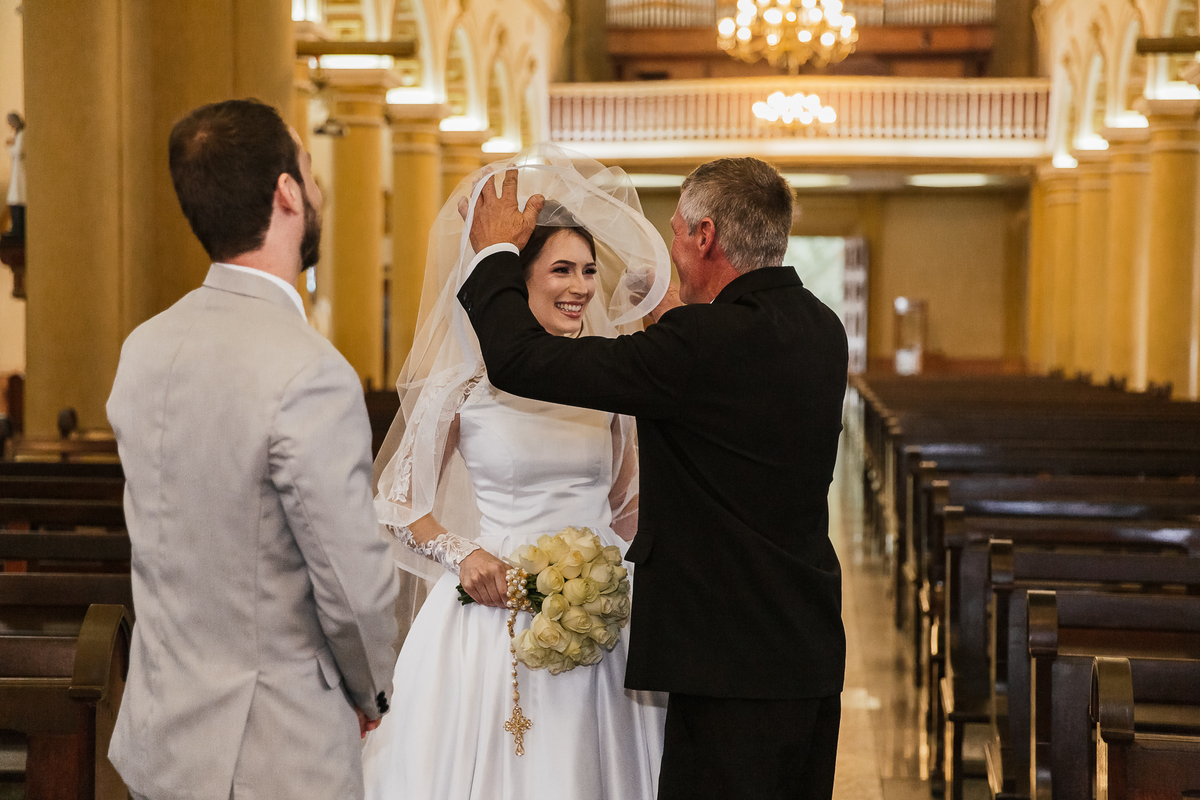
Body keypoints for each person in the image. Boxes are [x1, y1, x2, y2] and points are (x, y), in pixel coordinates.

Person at [458, 158, 850, 800]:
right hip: (806, 649)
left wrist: (495, 254)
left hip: (726, 664)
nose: (670, 251)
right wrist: (672, 325)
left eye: (674, 233)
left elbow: (521, 360)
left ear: (705, 236)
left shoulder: (701, 345)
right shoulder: (820, 326)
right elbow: (727, 397)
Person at [106, 99, 399, 800]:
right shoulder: (309, 369)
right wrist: (374, 691)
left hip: (158, 738)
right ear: (288, 192)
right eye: (310, 171)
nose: (318, 189)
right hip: (272, 749)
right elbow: (351, 584)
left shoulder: (144, 347)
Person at [363, 145, 673, 799]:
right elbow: (396, 501)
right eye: (561, 269)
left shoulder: (605, 380)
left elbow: (625, 507)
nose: (580, 287)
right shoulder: (464, 385)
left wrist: (621, 582)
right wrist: (464, 554)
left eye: (588, 270)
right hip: (494, 606)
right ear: (517, 278)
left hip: (601, 613)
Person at [4, 112, 24, 240]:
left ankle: (18, 230)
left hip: (21, 173)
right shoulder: (19, 134)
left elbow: (18, 150)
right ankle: (16, 228)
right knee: (14, 199)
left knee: (17, 199)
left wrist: (9, 146)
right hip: (18, 172)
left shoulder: (22, 134)